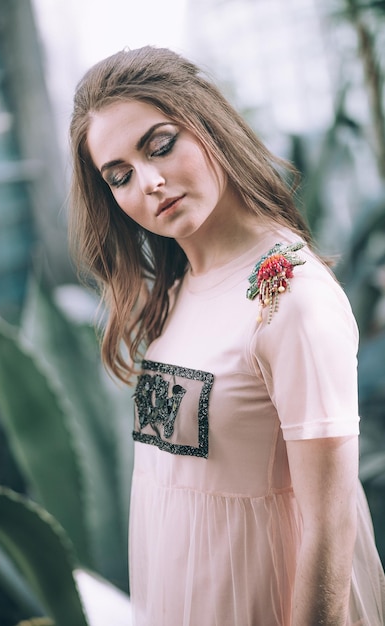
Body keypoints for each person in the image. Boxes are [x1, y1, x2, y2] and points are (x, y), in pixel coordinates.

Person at [69, 46, 385, 626]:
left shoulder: (291, 298)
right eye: (120, 176)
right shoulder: (177, 288)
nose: (151, 182)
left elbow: (329, 525)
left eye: (160, 144)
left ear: (208, 124)